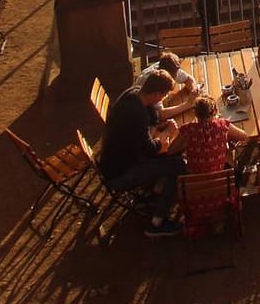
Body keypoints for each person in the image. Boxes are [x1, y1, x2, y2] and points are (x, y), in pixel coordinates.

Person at [97, 70, 187, 237]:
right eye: (163, 96)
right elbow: (151, 150)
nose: (162, 100)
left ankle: (153, 194)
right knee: (180, 166)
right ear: (156, 93)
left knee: (173, 157)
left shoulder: (134, 93)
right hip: (120, 174)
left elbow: (151, 119)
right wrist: (166, 134)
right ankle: (158, 222)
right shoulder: (136, 114)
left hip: (113, 162)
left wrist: (159, 129)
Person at [173, 95, 248, 175]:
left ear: (195, 113)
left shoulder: (187, 129)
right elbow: (243, 136)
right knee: (228, 153)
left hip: (194, 181)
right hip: (220, 178)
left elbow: (171, 150)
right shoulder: (222, 125)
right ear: (215, 111)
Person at [142, 52, 198, 119]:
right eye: (173, 77)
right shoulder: (154, 81)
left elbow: (189, 79)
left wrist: (194, 93)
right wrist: (187, 105)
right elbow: (161, 114)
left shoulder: (169, 67)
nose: (176, 77)